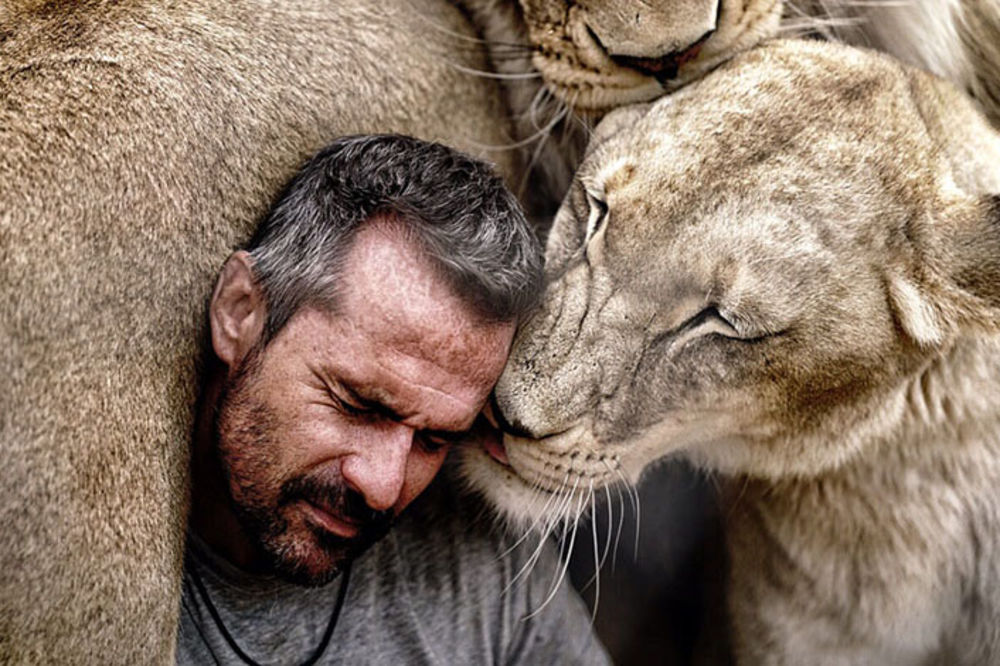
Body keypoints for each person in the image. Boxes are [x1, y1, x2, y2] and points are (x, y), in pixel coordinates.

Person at [178, 134, 610, 665]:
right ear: (241, 312)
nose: (382, 488)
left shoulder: (480, 564)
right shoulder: (88, 567)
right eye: (359, 405)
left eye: (433, 440)